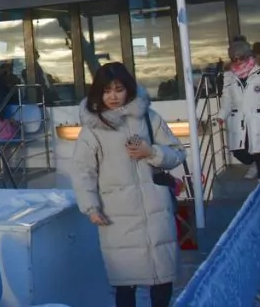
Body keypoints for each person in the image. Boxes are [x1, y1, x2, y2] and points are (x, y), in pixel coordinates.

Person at [72, 62, 186, 307]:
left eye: (118, 89)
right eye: (106, 90)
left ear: (129, 89)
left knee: (162, 281)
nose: (112, 96)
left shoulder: (148, 118)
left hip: (156, 213)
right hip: (117, 215)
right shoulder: (92, 130)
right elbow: (83, 172)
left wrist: (151, 152)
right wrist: (91, 208)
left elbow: (177, 153)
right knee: (125, 286)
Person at [216, 37, 260, 184]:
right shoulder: (229, 76)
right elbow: (227, 98)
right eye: (235, 59)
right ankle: (253, 164)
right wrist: (222, 115)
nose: (238, 61)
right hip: (239, 119)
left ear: (248, 56)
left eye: (241, 58)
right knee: (239, 150)